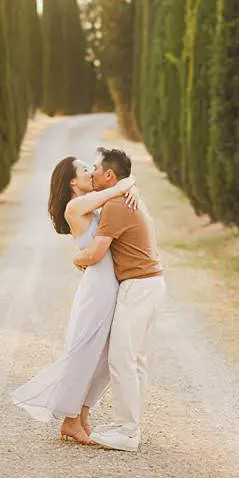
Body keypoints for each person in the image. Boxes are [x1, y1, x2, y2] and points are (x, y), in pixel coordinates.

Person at [10, 156, 138, 444]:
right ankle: (70, 420)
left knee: (108, 355)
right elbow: (116, 189)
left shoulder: (91, 204)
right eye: (84, 169)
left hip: (108, 285)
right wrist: (129, 184)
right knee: (85, 353)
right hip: (97, 288)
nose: (91, 173)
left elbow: (116, 195)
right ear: (71, 181)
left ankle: (82, 414)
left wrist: (130, 189)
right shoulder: (75, 206)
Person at [76, 147, 166, 453]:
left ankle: (127, 432)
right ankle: (129, 425)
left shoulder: (116, 204)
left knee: (121, 358)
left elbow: (96, 253)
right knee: (135, 360)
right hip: (151, 284)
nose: (92, 173)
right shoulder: (123, 197)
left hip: (139, 286)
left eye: (96, 168)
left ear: (109, 175)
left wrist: (77, 259)